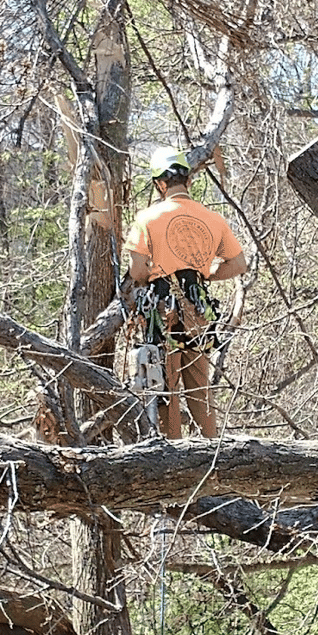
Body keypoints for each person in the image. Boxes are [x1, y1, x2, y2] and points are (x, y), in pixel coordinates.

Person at [123, 145, 247, 438]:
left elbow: (138, 269)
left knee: (166, 392)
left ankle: (173, 460)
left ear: (160, 184)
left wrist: (130, 288)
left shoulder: (147, 219)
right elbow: (238, 263)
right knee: (201, 393)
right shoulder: (214, 219)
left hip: (162, 309)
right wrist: (205, 274)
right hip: (199, 312)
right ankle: (214, 454)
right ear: (188, 181)